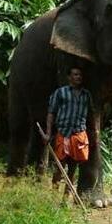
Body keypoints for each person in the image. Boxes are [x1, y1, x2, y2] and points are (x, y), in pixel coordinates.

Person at [42, 68, 91, 199]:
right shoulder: (60, 93)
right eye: (75, 74)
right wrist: (48, 133)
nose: (78, 77)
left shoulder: (86, 95)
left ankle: (65, 199)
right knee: (59, 166)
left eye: (80, 74)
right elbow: (51, 113)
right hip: (63, 134)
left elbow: (92, 114)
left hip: (78, 135)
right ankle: (53, 196)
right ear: (69, 77)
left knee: (73, 169)